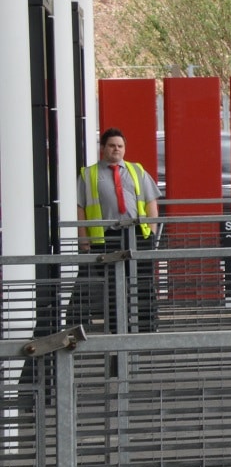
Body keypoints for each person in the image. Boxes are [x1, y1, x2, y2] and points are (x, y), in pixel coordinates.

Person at [79, 127, 160, 331]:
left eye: (120, 146)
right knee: (113, 285)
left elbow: (151, 202)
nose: (116, 149)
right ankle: (117, 328)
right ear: (103, 148)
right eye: (112, 145)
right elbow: (80, 208)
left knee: (144, 283)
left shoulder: (137, 170)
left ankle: (147, 328)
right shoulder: (89, 175)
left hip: (138, 234)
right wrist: (84, 239)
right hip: (106, 237)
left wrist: (151, 230)